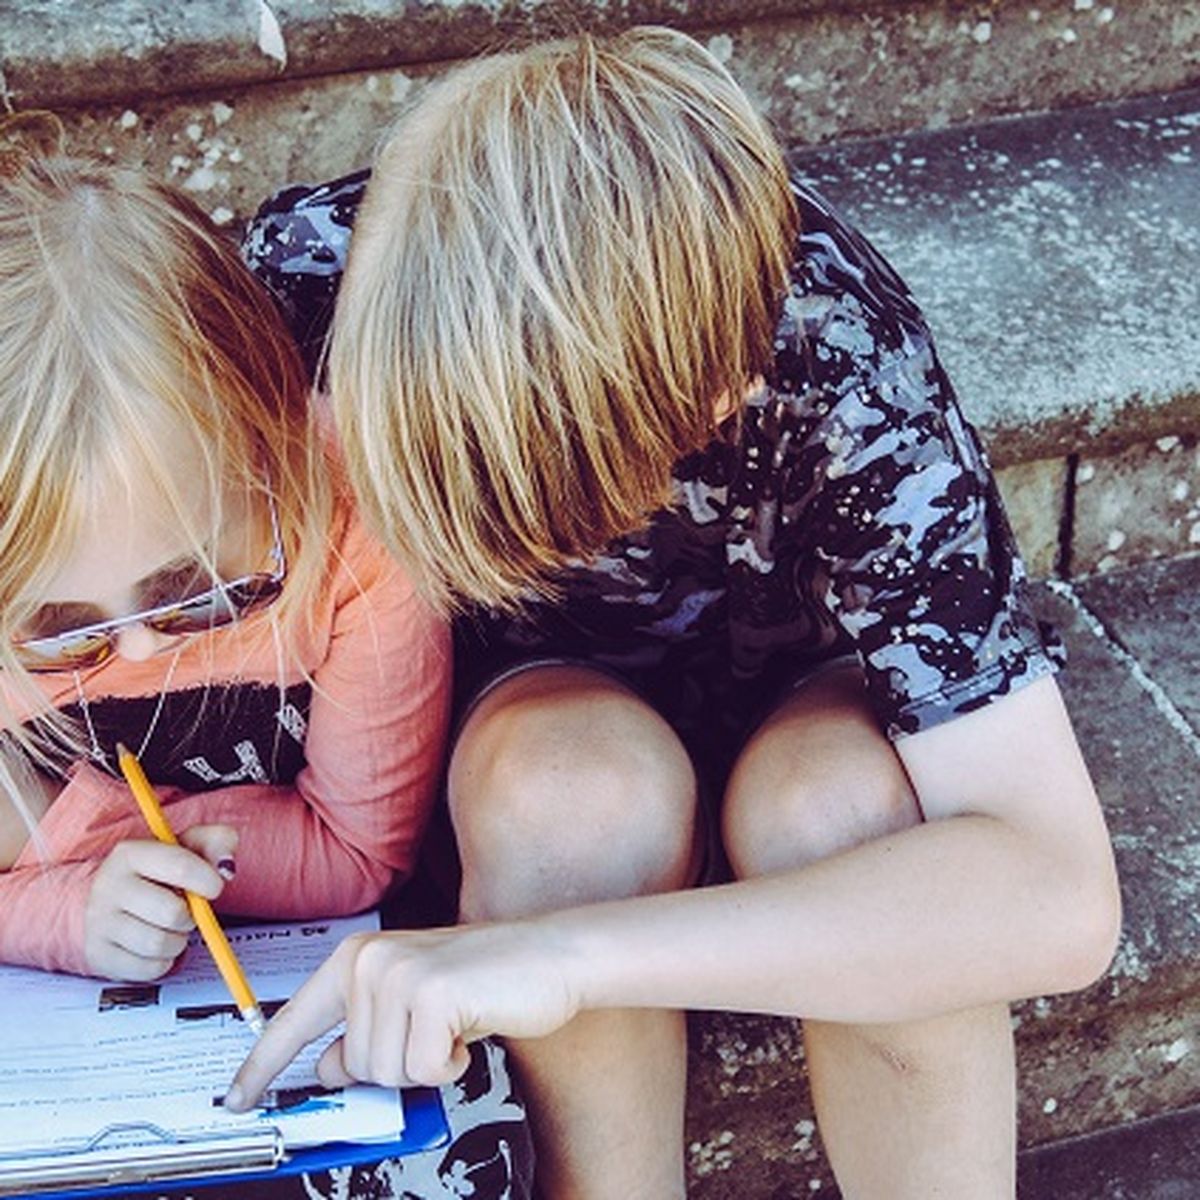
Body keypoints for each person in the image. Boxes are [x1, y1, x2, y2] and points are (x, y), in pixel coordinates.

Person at [231, 28, 1121, 1200]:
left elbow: (1055, 890)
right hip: (532, 726)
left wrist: (564, 958)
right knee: (568, 801)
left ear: (719, 390)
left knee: (847, 815)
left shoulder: (830, 347)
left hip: (806, 698)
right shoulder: (307, 281)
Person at [0, 132, 533, 1200]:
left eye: (198, 587)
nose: (143, 651)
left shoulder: (362, 526)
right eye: (61, 628)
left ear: (278, 451)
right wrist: (61, 911)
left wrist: (52, 828)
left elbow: (355, 854)